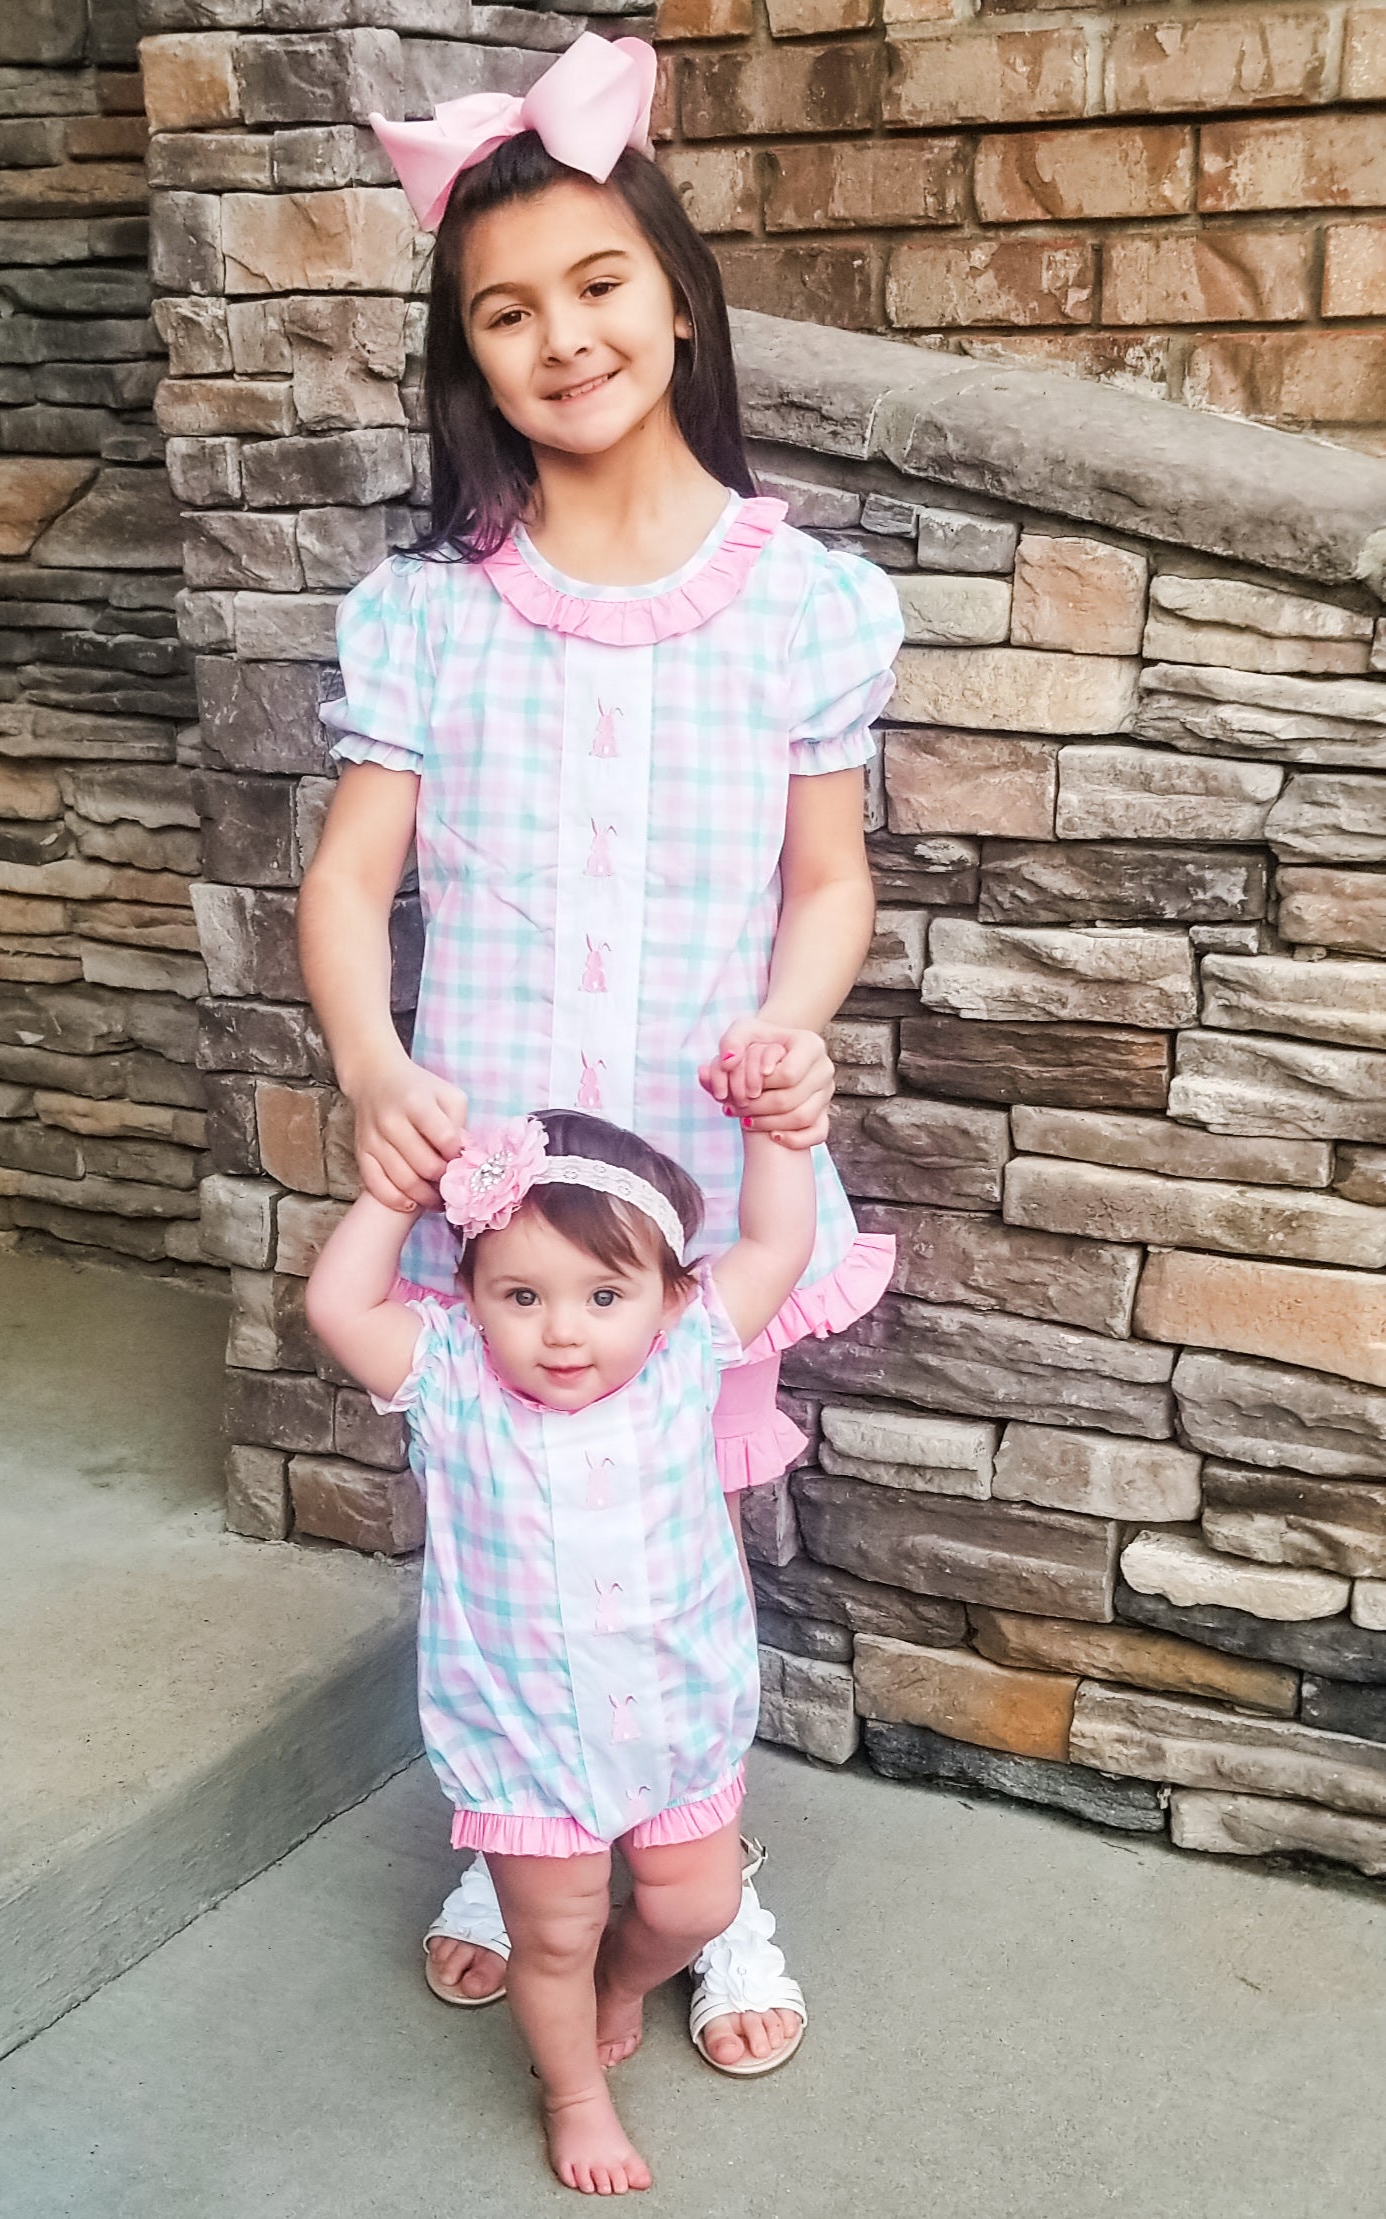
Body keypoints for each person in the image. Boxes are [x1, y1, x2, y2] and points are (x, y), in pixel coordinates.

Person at [297, 29, 903, 2077]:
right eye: (506, 312)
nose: (561, 337)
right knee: (500, 1506)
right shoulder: (430, 612)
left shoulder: (803, 604)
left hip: (699, 1166)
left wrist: (789, 1029)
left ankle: (708, 1868)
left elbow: (828, 879)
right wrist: (372, 1062)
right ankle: (518, 1829)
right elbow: (344, 879)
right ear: (469, 358)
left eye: (595, 284)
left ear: (676, 299)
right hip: (496, 1176)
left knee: (669, 1528)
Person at [306, 1109, 823, 2193]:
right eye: (521, 1295)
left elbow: (777, 1242)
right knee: (551, 1934)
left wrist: (779, 1129)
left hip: (677, 1719)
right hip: (525, 1737)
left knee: (693, 1906)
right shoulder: (448, 1376)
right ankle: (573, 2093)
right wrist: (393, 1193)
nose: (562, 1332)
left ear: (668, 1295)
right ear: (468, 1294)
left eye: (603, 1295)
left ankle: (622, 1983)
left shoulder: (685, 1354)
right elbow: (339, 1304)